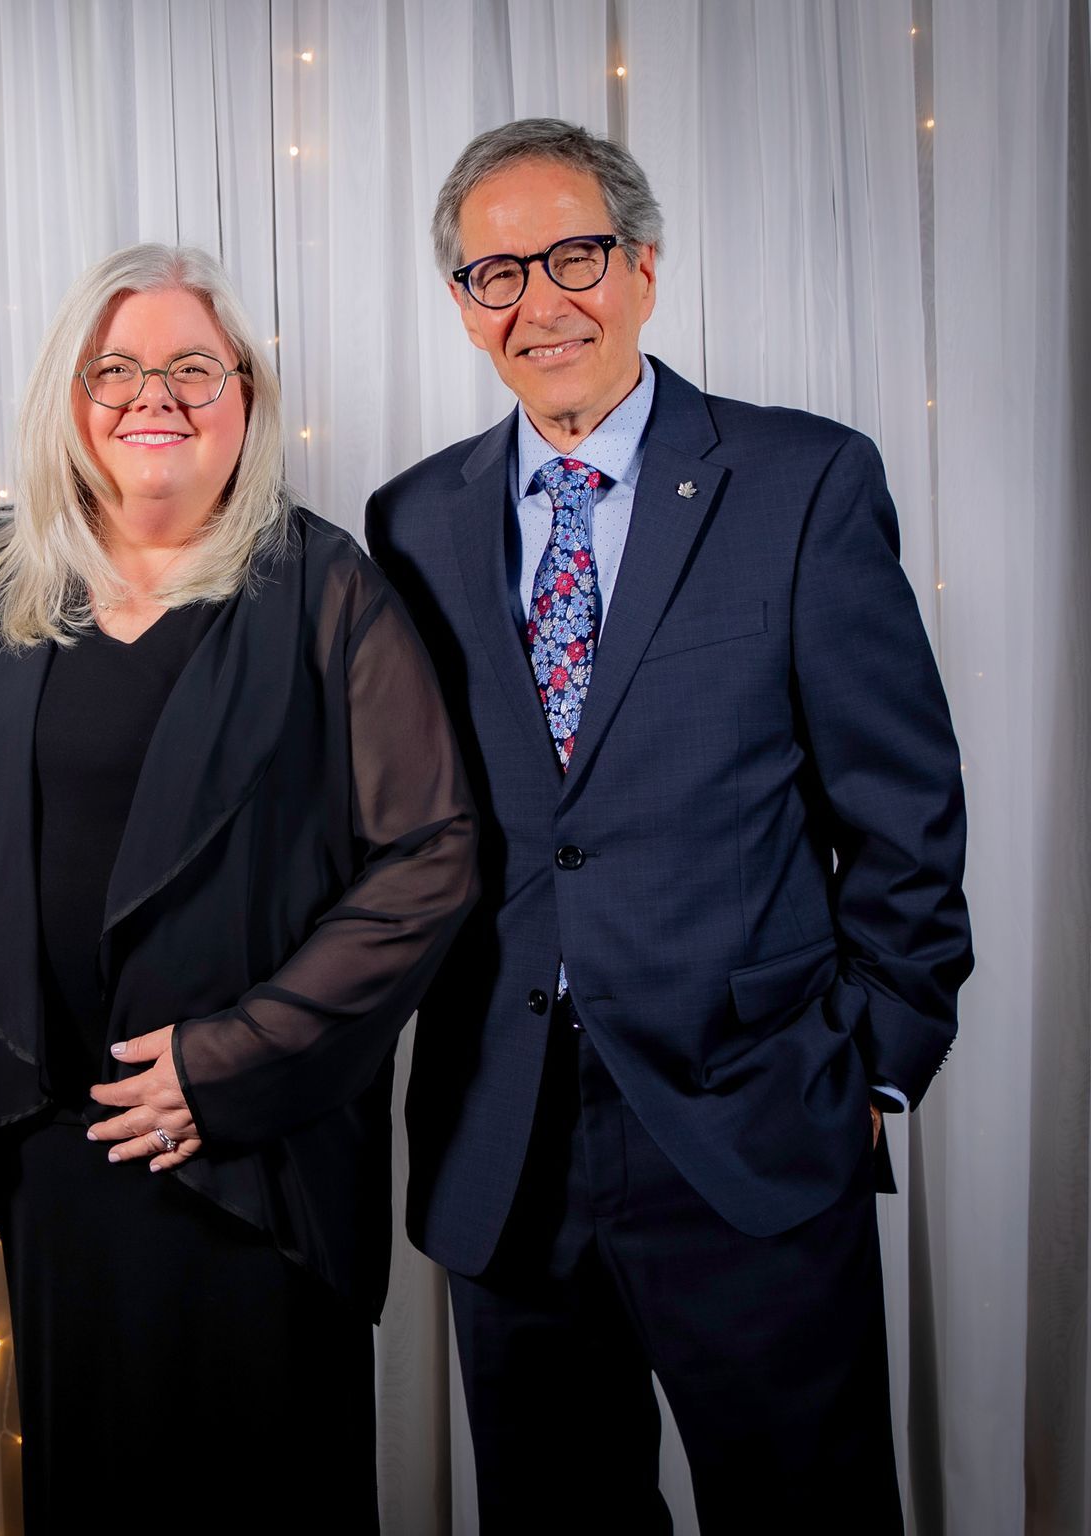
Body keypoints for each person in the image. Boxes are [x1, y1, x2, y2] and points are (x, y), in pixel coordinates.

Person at [366, 119, 972, 1532]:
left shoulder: (802, 483)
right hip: (504, 1137)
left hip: (752, 1122)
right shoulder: (413, 521)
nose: (540, 300)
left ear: (643, 266)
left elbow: (903, 812)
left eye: (573, 254)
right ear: (462, 306)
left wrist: (868, 1077)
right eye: (495, 272)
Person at [0, 243, 478, 1530]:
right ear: (68, 399)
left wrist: (227, 1064)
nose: (151, 395)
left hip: (258, 1147)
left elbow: (430, 853)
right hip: (65, 1144)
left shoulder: (325, 584)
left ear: (247, 400)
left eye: (191, 368)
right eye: (115, 369)